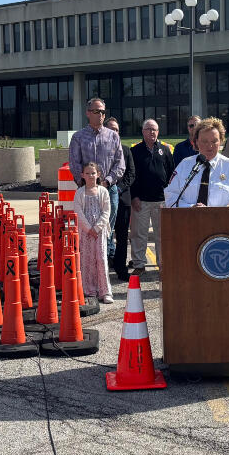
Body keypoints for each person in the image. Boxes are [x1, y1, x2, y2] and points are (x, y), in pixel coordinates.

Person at [69, 98, 125, 261]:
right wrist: (87, 183)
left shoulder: (113, 136)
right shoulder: (78, 137)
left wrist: (107, 181)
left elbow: (119, 163)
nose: (100, 115)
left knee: (105, 230)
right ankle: (88, 266)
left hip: (108, 190)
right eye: (96, 111)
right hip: (86, 192)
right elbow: (74, 163)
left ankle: (103, 266)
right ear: (88, 113)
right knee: (88, 230)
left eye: (102, 112)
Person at [164, 117, 229, 208]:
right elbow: (170, 197)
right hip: (189, 220)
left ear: (221, 142)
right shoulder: (184, 165)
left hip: (222, 220)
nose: (209, 146)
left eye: (214, 141)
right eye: (204, 141)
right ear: (197, 142)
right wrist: (190, 207)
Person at [129, 118, 175, 273]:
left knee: (162, 235)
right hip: (141, 200)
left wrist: (170, 196)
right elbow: (131, 175)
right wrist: (134, 196)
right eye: (148, 129)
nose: (152, 132)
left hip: (162, 200)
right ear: (143, 132)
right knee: (138, 235)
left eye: (154, 129)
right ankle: (139, 265)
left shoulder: (165, 149)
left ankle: (163, 264)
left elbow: (171, 174)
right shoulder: (135, 151)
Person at [72, 162, 114, 304]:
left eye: (93, 173)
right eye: (88, 173)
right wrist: (88, 229)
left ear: (98, 174)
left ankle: (105, 291)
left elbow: (107, 212)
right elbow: (78, 212)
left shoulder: (103, 192)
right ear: (82, 175)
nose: (91, 176)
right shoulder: (80, 193)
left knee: (101, 259)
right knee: (87, 260)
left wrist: (96, 228)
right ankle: (89, 290)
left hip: (99, 231)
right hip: (85, 232)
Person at [104, 117, 136, 280]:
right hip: (104, 200)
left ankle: (120, 268)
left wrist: (119, 188)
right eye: (111, 129)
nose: (114, 132)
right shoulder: (100, 150)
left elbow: (131, 173)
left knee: (122, 236)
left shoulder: (126, 150)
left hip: (123, 199)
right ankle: (105, 266)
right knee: (105, 234)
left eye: (116, 129)